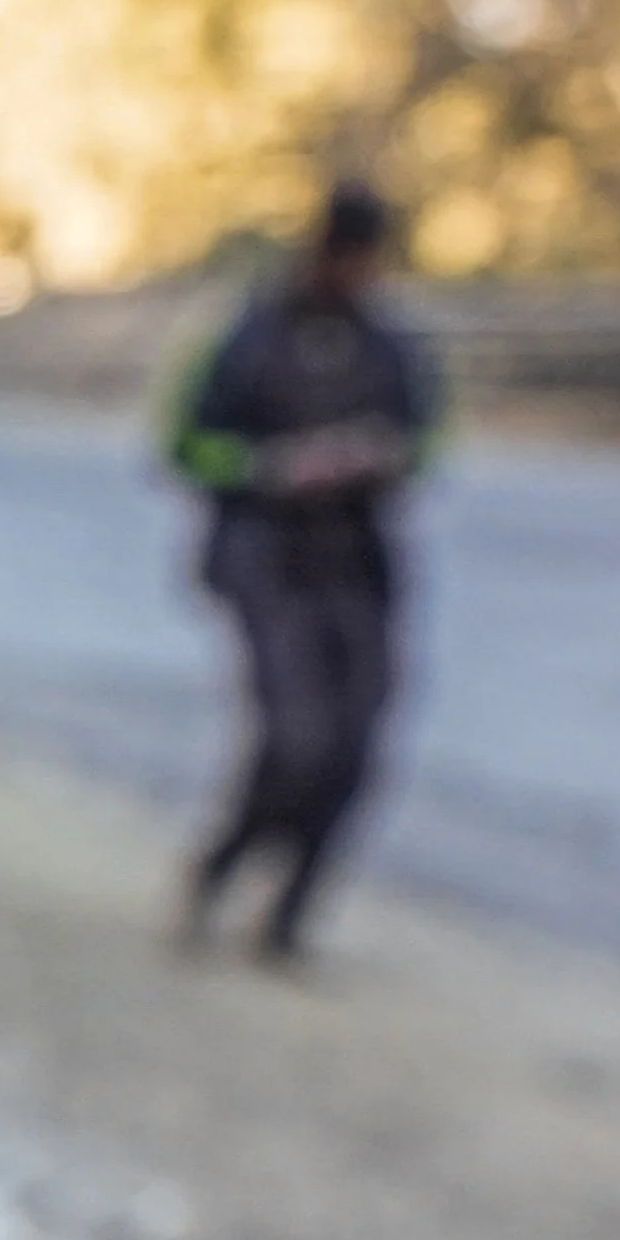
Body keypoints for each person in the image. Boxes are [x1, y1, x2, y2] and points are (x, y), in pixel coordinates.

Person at [166, 180, 440, 962]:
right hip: (265, 558)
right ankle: (220, 866)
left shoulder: (391, 345)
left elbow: (426, 438)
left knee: (359, 744)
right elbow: (185, 444)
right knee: (296, 737)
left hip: (358, 562)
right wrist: (271, 468)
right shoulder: (246, 336)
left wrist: (380, 457)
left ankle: (289, 915)